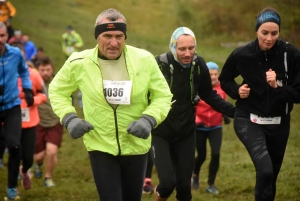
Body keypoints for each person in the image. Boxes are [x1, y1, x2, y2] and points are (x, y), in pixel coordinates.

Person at [48, 8, 172, 201]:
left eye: (119, 36)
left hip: (135, 144)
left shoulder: (144, 60)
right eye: (107, 36)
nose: (114, 43)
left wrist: (149, 119)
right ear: (97, 36)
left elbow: (163, 95)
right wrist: (69, 117)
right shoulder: (79, 62)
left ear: (125, 37)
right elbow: (57, 90)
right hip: (100, 144)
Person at [219, 7, 300, 201]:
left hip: (279, 123)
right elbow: (225, 80)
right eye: (265, 33)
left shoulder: (291, 54)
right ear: (257, 31)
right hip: (249, 119)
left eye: (274, 33)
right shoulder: (242, 54)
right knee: (265, 171)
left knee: (271, 179)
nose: (269, 38)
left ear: (279, 32)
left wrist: (277, 86)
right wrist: (237, 90)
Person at [152, 27, 235, 201]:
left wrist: (234, 111)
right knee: (167, 184)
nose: (188, 53)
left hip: (186, 132)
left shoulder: (198, 65)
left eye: (191, 48)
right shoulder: (159, 64)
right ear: (173, 47)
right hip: (161, 133)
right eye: (182, 49)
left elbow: (209, 94)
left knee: (184, 189)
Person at [0, 22, 33, 201]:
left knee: (15, 145)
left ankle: (12, 187)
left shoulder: (15, 54)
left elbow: (24, 71)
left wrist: (27, 89)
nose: (0, 40)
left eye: (2, 35)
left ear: (7, 36)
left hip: (12, 105)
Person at [192, 61, 231, 194]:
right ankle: (195, 175)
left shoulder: (222, 89)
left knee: (216, 153)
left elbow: (222, 104)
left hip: (215, 127)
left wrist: (225, 115)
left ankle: (211, 184)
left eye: (215, 74)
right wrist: (197, 121)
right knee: (201, 155)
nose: (213, 77)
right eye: (210, 74)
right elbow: (192, 108)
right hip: (200, 127)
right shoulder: (199, 88)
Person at [33, 56, 64, 188]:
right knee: (39, 156)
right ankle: (38, 164)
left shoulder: (59, 82)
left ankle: (48, 178)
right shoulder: (32, 83)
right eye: (42, 70)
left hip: (55, 123)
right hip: (38, 123)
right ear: (37, 70)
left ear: (52, 69)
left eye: (48, 69)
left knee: (51, 151)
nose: (45, 72)